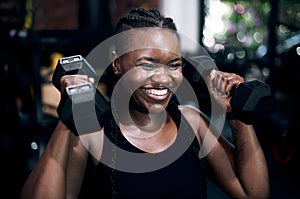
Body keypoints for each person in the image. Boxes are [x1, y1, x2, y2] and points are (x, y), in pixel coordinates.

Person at [20, 7, 269, 199]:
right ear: (117, 64)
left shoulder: (192, 124)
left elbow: (253, 193)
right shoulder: (92, 134)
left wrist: (238, 116)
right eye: (146, 64)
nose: (162, 79)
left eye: (174, 65)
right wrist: (70, 115)